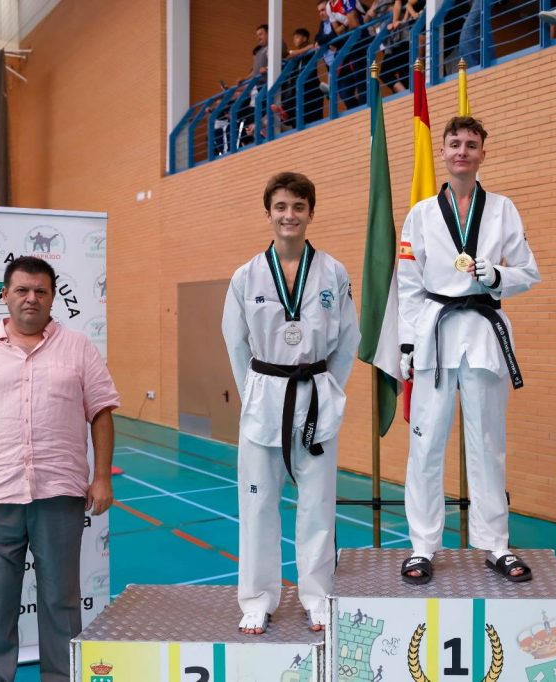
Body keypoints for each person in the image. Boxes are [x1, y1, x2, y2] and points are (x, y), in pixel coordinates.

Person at [0, 256, 120, 682]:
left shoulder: (78, 347)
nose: (31, 298)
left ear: (53, 297)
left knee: (62, 601)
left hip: (59, 496)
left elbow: (101, 412)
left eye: (40, 291)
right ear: (5, 295)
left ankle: (60, 677)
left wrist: (101, 477)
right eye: (22, 290)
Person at [398, 116, 540, 585]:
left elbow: (528, 272)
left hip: (483, 333)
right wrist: (406, 342)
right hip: (435, 334)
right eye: (455, 143)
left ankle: (495, 544)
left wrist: (497, 276)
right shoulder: (421, 213)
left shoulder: (502, 209)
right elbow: (408, 283)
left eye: (471, 144)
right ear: (443, 151)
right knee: (425, 446)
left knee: (488, 445)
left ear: (483, 153)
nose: (462, 151)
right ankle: (422, 546)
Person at [222, 172, 359, 635]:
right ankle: (257, 599)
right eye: (281, 207)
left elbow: (348, 339)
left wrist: (328, 389)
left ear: (310, 213)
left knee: (317, 505)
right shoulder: (246, 276)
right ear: (268, 213)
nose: (289, 215)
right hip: (265, 396)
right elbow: (235, 341)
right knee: (258, 505)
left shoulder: (333, 272)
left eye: (298, 206)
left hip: (316, 394)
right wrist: (254, 393)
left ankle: (317, 596)